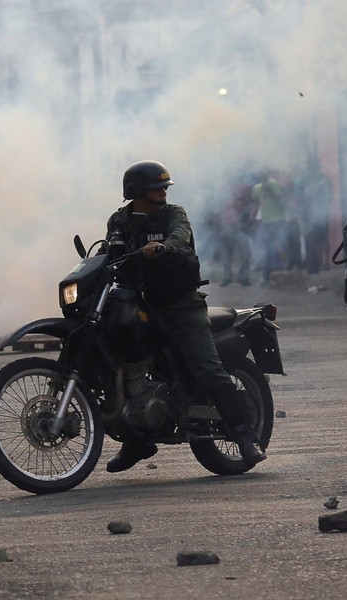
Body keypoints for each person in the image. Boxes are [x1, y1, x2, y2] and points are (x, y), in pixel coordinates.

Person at [104, 161, 266, 472]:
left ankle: (246, 437)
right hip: (142, 304)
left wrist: (163, 247)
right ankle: (137, 439)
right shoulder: (119, 221)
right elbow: (111, 253)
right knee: (124, 360)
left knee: (207, 368)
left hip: (181, 305)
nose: (163, 191)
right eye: (157, 187)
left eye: (165, 187)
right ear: (136, 191)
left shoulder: (173, 213)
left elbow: (181, 235)